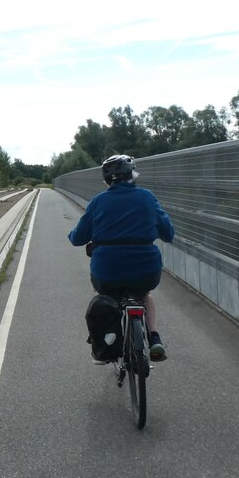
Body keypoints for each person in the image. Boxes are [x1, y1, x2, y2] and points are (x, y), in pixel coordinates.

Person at [67, 154, 174, 361]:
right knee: (144, 294)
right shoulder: (147, 197)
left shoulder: (98, 202)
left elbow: (78, 238)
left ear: (107, 180)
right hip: (146, 271)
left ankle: (112, 343)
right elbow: (168, 233)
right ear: (132, 175)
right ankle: (155, 338)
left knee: (109, 299)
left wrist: (72, 235)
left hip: (107, 272)